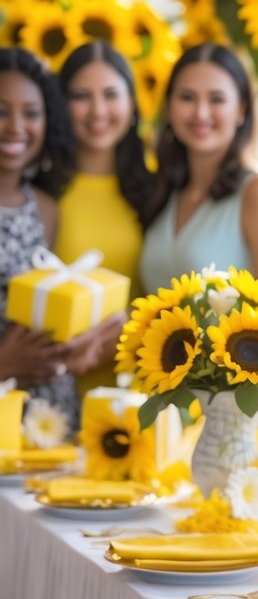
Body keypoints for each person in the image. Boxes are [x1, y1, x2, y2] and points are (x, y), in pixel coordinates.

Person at [139, 42, 258, 291]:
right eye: (187, 97)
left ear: (241, 110)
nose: (200, 113)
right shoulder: (166, 191)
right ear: (169, 105)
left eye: (216, 99)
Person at [54, 41, 154, 387]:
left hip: (140, 393)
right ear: (61, 106)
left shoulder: (156, 191)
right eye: (81, 96)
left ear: (131, 105)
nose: (98, 110)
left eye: (111, 94)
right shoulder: (42, 194)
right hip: (55, 393)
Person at [0, 48, 77, 425]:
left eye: (31, 113)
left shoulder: (46, 209)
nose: (16, 127)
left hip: (48, 418)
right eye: (1, 111)